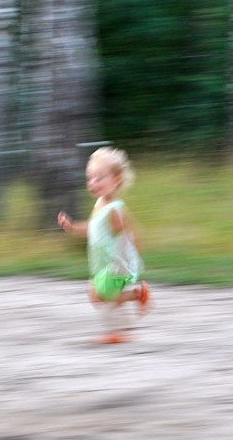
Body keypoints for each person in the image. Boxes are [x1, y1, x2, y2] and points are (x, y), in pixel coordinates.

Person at [58, 146, 152, 344]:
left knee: (101, 294)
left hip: (115, 264)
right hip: (103, 264)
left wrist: (129, 260)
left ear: (116, 180)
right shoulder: (99, 204)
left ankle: (119, 330)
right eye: (90, 178)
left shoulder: (115, 210)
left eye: (100, 178)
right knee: (99, 295)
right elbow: (93, 228)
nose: (93, 183)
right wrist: (73, 227)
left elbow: (127, 236)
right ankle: (136, 298)